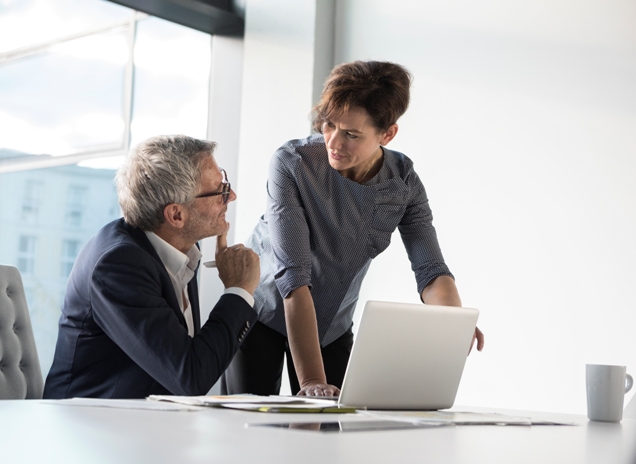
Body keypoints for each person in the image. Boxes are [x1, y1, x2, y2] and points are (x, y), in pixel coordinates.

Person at [222, 60, 484, 398]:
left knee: (334, 434)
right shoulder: (292, 163)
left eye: (351, 134)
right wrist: (312, 381)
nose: (333, 141)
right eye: (329, 125)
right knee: (250, 428)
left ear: (387, 134)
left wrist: (452, 324)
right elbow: (293, 277)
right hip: (264, 311)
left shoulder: (403, 183)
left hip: (332, 323)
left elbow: (431, 270)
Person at [44, 135, 259, 399]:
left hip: (150, 422)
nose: (232, 196)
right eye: (220, 192)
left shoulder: (183, 247)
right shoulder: (117, 266)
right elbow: (191, 376)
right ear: (176, 215)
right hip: (92, 428)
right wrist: (239, 290)